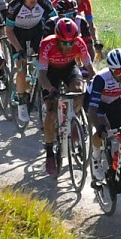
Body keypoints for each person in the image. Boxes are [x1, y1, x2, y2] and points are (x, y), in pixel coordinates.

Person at [37, 18, 95, 176]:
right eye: (64, 43)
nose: (68, 46)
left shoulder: (79, 43)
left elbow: (91, 70)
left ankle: (73, 120)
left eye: (71, 43)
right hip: (50, 71)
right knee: (51, 111)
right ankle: (49, 153)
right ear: (57, 38)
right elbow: (42, 75)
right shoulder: (47, 44)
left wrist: (94, 85)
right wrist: (50, 88)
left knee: (78, 90)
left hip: (69, 68)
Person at [87, 48, 121, 195]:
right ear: (111, 71)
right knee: (104, 130)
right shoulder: (101, 79)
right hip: (96, 103)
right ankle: (96, 158)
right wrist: (99, 127)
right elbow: (92, 110)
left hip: (114, 101)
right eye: (117, 72)